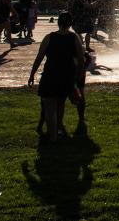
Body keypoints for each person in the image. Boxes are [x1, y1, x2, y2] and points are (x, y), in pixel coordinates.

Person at [28, 11, 85, 143]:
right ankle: (57, 130)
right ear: (70, 24)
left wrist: (32, 74)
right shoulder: (74, 37)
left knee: (49, 106)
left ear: (58, 22)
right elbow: (81, 59)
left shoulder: (49, 37)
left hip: (50, 74)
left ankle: (52, 135)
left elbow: (39, 58)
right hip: (67, 76)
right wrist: (77, 76)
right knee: (60, 104)